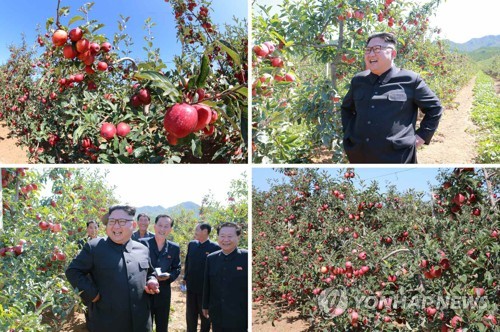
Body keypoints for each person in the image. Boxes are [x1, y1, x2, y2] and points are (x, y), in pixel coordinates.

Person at [341, 32, 443, 163]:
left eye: (377, 49)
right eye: (368, 50)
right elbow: (346, 109)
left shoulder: (410, 80)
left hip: (397, 157)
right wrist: (349, 135)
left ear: (393, 53)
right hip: (359, 155)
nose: (371, 54)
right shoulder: (358, 80)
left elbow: (435, 108)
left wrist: (421, 136)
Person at [66, 205, 159, 332]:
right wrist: (92, 294)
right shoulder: (95, 247)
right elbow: (73, 271)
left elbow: (150, 273)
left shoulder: (142, 249)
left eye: (121, 221)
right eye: (111, 221)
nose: (115, 226)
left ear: (134, 225)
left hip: (140, 321)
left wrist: (151, 280)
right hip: (107, 323)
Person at [202, 222, 248, 332]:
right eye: (222, 236)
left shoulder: (246, 257)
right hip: (218, 313)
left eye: (230, 236)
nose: (225, 240)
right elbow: (207, 284)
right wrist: (205, 305)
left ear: (238, 237)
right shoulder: (211, 258)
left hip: (239, 315)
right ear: (218, 237)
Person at [140, 215, 181, 332]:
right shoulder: (142, 244)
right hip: (145, 291)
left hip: (163, 291)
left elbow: (177, 268)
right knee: (144, 325)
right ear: (154, 226)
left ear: (170, 230)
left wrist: (169, 276)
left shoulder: (174, 248)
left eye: (166, 226)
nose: (162, 229)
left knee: (162, 325)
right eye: (160, 225)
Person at [183, 223, 221, 332]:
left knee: (205, 316)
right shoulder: (192, 244)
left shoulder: (215, 247)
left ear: (205, 231)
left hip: (205, 289)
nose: (195, 232)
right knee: (190, 314)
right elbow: (188, 262)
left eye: (197, 230)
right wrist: (185, 277)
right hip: (191, 287)